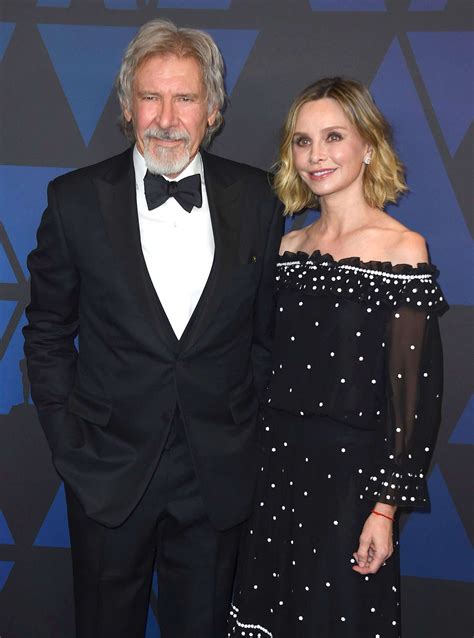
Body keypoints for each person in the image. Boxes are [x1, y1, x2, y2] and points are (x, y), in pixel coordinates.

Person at [23, 19, 282, 638]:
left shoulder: (259, 200)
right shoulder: (73, 201)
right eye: (151, 96)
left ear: (213, 110)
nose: (167, 116)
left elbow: (268, 337)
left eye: (186, 97)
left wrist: (244, 433)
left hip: (216, 477)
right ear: (126, 106)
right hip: (108, 474)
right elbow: (48, 333)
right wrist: (70, 445)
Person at [228, 77, 448, 637]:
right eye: (302, 141)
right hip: (274, 471)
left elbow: (413, 398)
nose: (316, 155)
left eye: (333, 136)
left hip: (352, 482)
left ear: (368, 145)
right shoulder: (288, 247)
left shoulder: (403, 248)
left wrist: (385, 510)